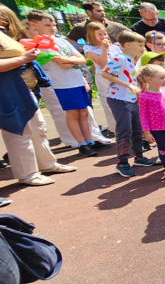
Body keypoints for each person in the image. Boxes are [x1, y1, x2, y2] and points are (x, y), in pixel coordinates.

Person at [28, 11, 109, 158]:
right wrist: (72, 60)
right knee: (73, 114)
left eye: (54, 24)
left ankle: (89, 140)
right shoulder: (41, 44)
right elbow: (63, 64)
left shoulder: (61, 40)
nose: (53, 28)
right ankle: (81, 144)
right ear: (34, 25)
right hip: (63, 84)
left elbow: (82, 60)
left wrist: (70, 60)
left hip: (76, 80)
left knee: (84, 112)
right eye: (47, 25)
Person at [0, 44, 76, 189]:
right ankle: (27, 174)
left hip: (24, 86)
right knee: (19, 131)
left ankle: (47, 164)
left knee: (38, 128)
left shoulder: (8, 32)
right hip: (6, 89)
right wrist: (23, 58)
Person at [101, 30, 158, 177]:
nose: (142, 47)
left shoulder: (131, 61)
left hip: (131, 100)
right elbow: (106, 74)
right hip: (119, 99)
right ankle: (122, 163)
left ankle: (139, 157)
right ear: (127, 45)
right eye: (139, 44)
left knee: (137, 129)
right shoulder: (119, 58)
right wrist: (129, 86)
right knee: (124, 131)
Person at [83, 23, 121, 133]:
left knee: (122, 101)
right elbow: (103, 64)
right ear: (91, 35)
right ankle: (115, 128)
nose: (104, 36)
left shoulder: (115, 47)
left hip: (118, 76)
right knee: (108, 103)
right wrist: (104, 49)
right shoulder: (89, 48)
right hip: (104, 77)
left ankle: (126, 126)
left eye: (105, 33)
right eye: (99, 34)